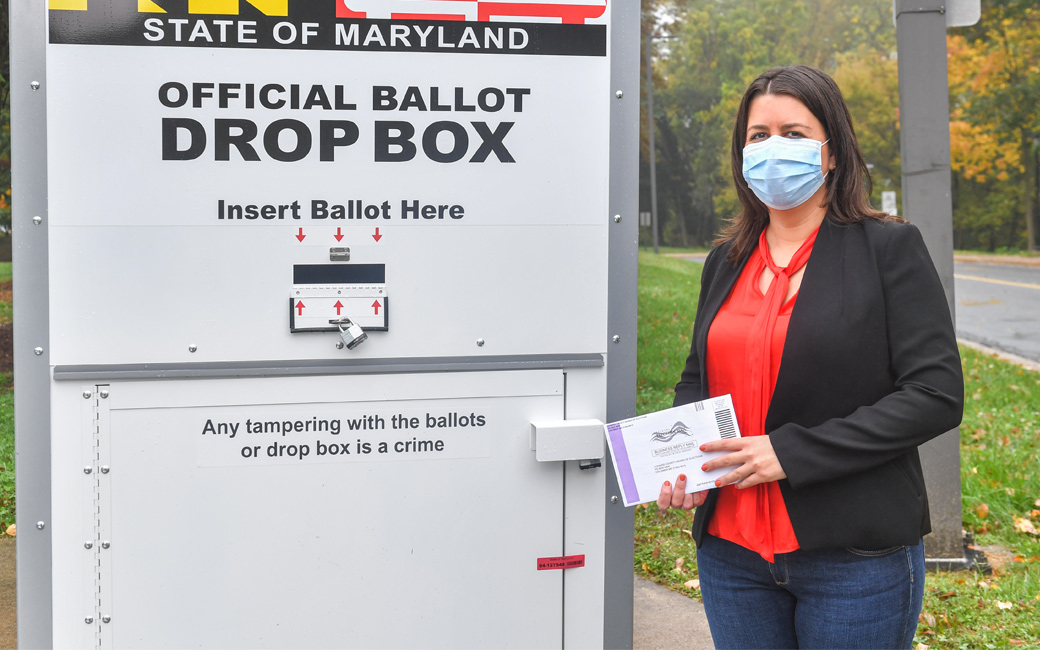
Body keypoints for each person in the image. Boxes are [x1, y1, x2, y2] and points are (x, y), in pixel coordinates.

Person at [656, 65, 964, 650]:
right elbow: (698, 377)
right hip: (731, 553)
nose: (774, 148)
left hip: (853, 558)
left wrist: (790, 452)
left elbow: (935, 396)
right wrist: (681, 462)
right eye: (758, 135)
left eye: (794, 133)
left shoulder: (889, 250)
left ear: (830, 153)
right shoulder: (725, 260)